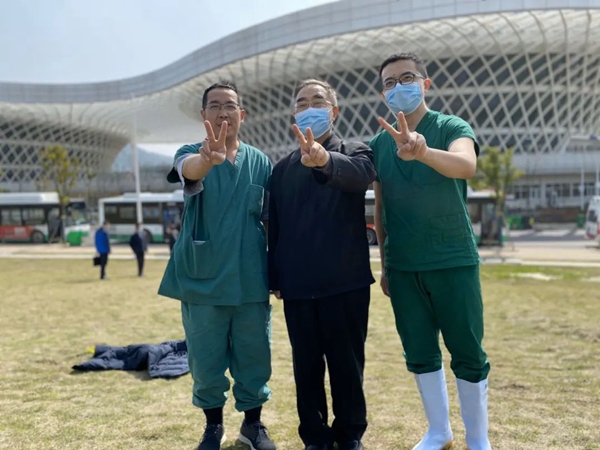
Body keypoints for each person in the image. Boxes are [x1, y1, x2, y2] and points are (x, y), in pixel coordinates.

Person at [369, 53, 492, 450]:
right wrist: (386, 265)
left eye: (407, 78)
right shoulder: (378, 144)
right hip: (405, 266)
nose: (398, 87)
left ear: (426, 84)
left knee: (467, 350)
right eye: (389, 83)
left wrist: (422, 151)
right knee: (419, 351)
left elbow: (466, 165)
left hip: (452, 257)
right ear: (384, 94)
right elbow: (380, 208)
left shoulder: (451, 127)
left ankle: (478, 438)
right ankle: (439, 431)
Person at [158, 81, 276, 450]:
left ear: (242, 114)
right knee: (205, 358)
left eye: (230, 105)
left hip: (250, 277)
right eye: (215, 105)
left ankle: (252, 426)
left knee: (255, 354)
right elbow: (189, 170)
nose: (223, 112)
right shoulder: (191, 153)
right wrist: (207, 160)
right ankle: (213, 426)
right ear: (203, 114)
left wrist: (279, 270)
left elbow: (270, 220)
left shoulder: (261, 162)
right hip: (203, 278)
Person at [268, 79, 376, 450]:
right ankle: (314, 437)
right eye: (302, 102)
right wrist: (275, 276)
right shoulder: (281, 169)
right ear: (294, 114)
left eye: (318, 101)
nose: (309, 107)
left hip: (346, 283)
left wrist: (325, 160)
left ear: (334, 111)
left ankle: (350, 434)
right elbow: (275, 226)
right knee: (306, 367)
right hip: (298, 286)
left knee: (348, 365)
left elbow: (360, 176)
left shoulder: (356, 151)